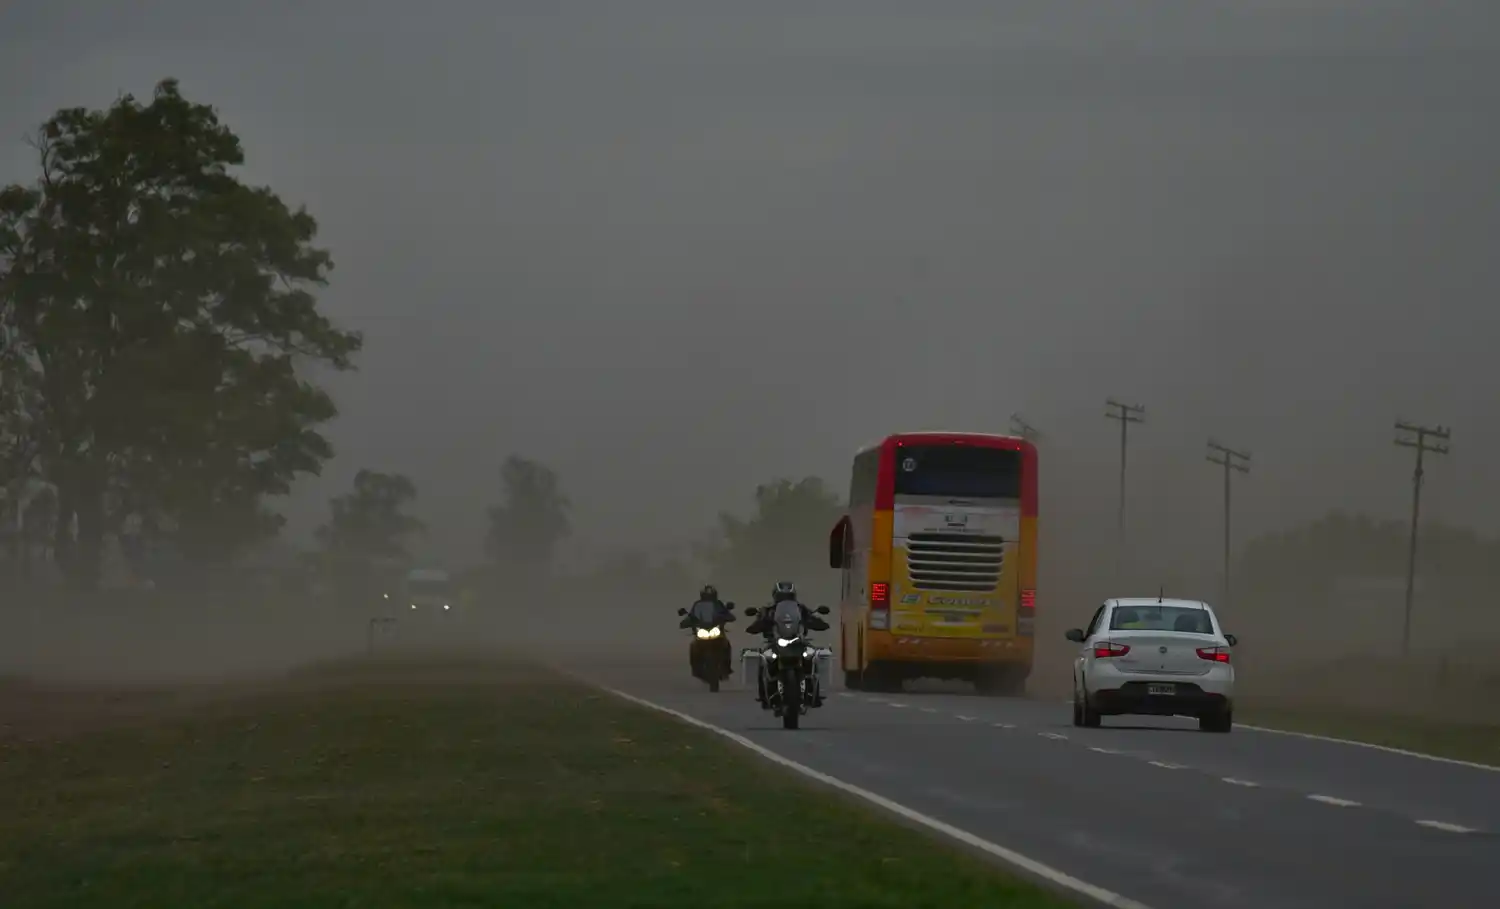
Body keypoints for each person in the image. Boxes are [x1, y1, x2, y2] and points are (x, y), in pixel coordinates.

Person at [747, 581, 829, 707]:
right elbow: (759, 622)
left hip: (798, 641)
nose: (785, 600)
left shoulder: (801, 609)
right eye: (782, 597)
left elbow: (811, 618)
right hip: (776, 642)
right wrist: (757, 625)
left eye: (788, 597)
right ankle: (764, 695)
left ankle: (815, 693)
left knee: (813, 656)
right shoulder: (768, 610)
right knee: (764, 659)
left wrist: (818, 623)